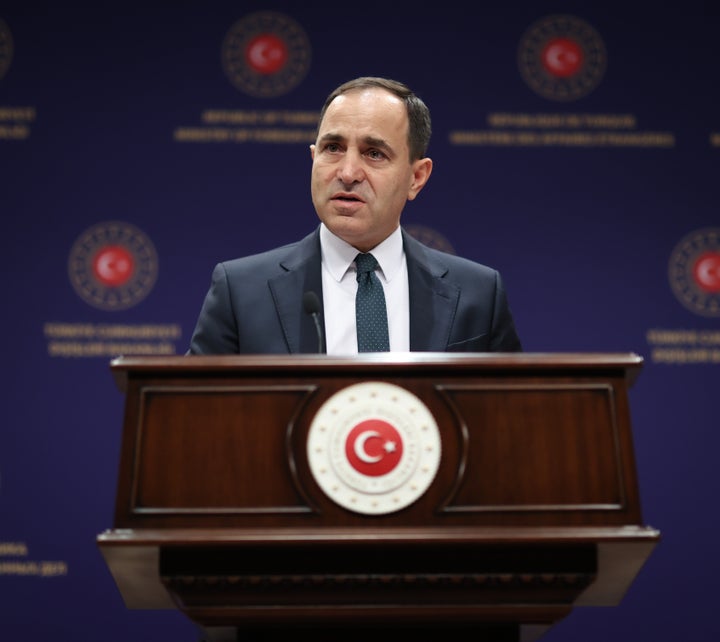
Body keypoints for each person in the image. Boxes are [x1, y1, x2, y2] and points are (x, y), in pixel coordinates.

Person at [188, 76, 521, 355]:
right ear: (313, 158)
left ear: (416, 177)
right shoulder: (241, 292)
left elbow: (509, 420)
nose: (347, 172)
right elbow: (191, 416)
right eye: (333, 148)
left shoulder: (478, 295)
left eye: (374, 153)